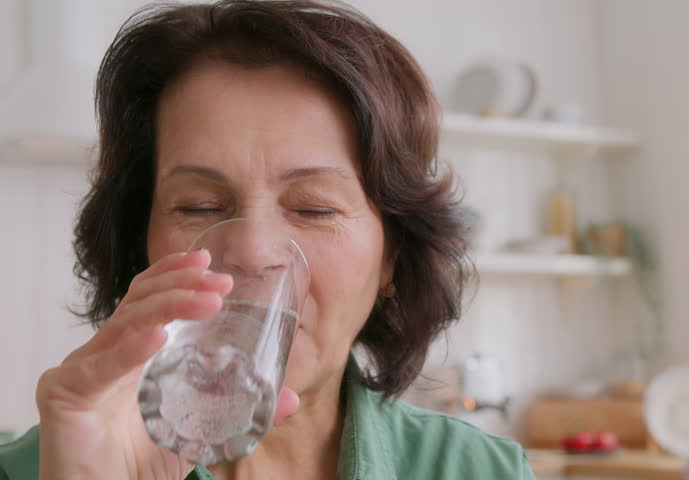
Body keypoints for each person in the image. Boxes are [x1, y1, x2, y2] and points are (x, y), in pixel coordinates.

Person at [0, 1, 536, 479]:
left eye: (314, 208)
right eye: (199, 207)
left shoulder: (480, 470)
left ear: (392, 256)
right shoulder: (34, 468)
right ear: (141, 239)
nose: (252, 253)